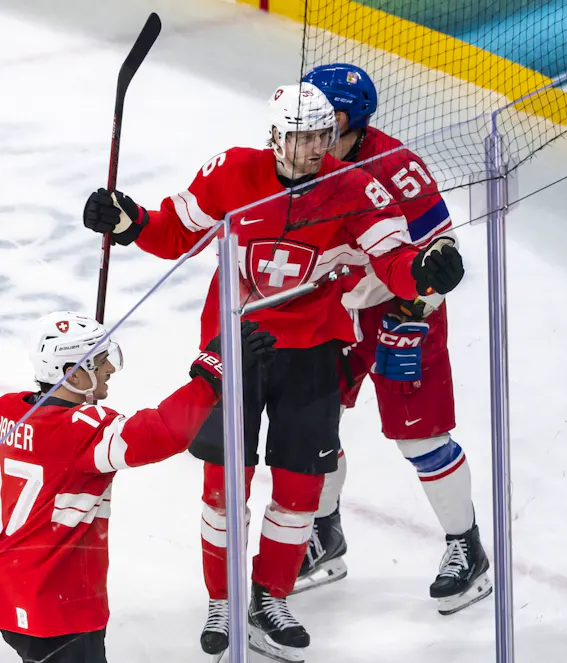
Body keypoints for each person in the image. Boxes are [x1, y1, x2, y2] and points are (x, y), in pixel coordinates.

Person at [81, 82, 465, 661]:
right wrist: (128, 220)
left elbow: (393, 260)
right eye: (304, 137)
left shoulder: (356, 187)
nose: (317, 147)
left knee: (300, 489)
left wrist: (425, 271)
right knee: (222, 487)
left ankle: (270, 597)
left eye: (324, 135)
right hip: (235, 347)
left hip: (314, 349)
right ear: (277, 138)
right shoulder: (231, 173)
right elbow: (174, 233)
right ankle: (222, 599)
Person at [295, 63, 491, 615]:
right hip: (336, 310)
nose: (310, 126)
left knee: (419, 438)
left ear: (350, 118)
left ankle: (466, 547)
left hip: (401, 310)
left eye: (323, 114)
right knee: (314, 423)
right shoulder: (301, 159)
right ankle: (324, 536)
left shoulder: (397, 167)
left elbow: (441, 254)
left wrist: (415, 312)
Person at [0, 312, 275, 663]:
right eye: (99, 361)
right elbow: (163, 432)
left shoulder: (9, 410)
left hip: (11, 596)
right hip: (59, 608)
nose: (109, 368)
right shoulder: (82, 431)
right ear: (72, 373)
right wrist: (212, 373)